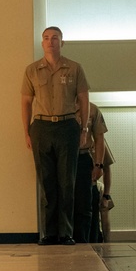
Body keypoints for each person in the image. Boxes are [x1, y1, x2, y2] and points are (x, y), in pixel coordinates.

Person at [21, 27, 89, 246]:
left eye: (55, 38)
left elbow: (84, 98)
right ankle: (49, 233)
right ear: (42, 43)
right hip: (41, 127)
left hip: (67, 125)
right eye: (46, 38)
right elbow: (26, 102)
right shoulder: (32, 70)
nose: (50, 42)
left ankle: (66, 232)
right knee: (46, 182)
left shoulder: (75, 68)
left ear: (62, 42)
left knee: (67, 182)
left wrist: (84, 129)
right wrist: (26, 131)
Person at [73, 101, 105, 243]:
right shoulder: (61, 106)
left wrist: (98, 165)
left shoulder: (92, 109)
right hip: (64, 157)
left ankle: (83, 242)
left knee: (84, 205)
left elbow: (99, 138)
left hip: (83, 156)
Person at [97, 143, 116, 242]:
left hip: (94, 183)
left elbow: (107, 168)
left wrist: (106, 195)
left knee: (105, 207)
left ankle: (106, 242)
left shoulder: (99, 142)